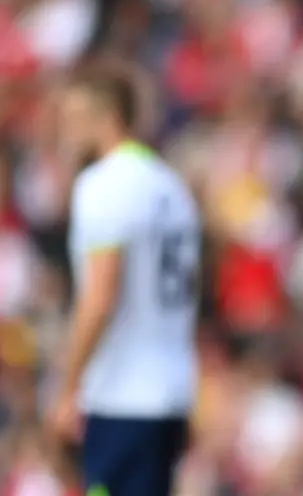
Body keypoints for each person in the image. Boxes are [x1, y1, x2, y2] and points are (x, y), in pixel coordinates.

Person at [48, 69, 201, 495]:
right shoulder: (171, 186)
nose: (66, 132)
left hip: (121, 392)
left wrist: (68, 385)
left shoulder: (103, 185)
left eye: (74, 118)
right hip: (171, 387)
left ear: (108, 116)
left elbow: (100, 297)